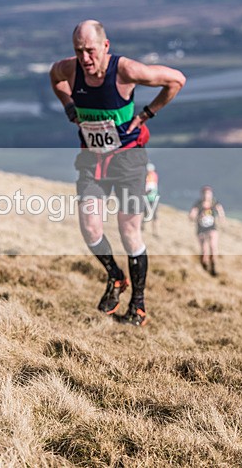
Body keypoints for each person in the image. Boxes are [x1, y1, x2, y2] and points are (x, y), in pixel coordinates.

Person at [49, 20, 186, 327]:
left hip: (127, 160)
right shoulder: (71, 69)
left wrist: (148, 113)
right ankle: (116, 277)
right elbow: (54, 76)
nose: (85, 58)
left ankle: (138, 306)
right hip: (91, 160)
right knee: (90, 227)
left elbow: (176, 80)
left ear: (105, 46)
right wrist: (69, 105)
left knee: (128, 230)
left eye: (91, 51)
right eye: (79, 51)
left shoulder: (125, 70)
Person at [188, 185, 226, 276]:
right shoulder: (198, 204)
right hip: (201, 229)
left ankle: (213, 267)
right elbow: (192, 214)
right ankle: (204, 265)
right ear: (202, 195)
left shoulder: (214, 202)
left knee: (213, 247)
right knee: (204, 250)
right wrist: (193, 217)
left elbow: (220, 209)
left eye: (208, 194)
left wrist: (222, 217)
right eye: (205, 194)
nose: (207, 196)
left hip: (212, 228)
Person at [143, 162, 160, 237]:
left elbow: (150, 188)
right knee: (146, 214)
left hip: (152, 198)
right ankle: (143, 227)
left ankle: (155, 231)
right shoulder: (152, 176)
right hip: (149, 198)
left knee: (154, 215)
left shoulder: (152, 176)